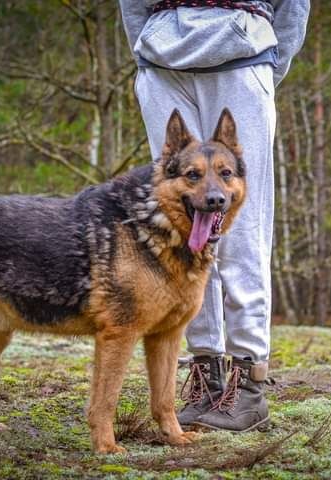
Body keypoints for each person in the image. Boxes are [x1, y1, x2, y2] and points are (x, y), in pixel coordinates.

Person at [119, 0, 310, 432]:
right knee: (181, 222)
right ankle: (206, 375)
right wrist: (146, 52)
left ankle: (248, 383)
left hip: (243, 55)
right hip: (163, 61)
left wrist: (268, 62)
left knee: (243, 227)